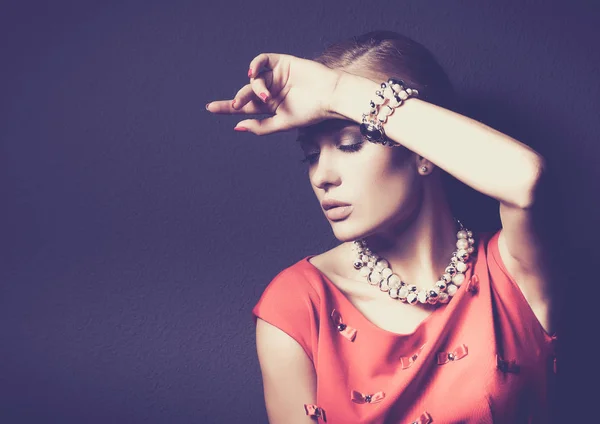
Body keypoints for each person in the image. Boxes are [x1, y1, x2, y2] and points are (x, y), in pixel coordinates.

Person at [206, 31, 558, 424]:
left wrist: (336, 92)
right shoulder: (300, 304)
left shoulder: (511, 274)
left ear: (422, 152)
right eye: (310, 154)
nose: (322, 176)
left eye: (350, 143)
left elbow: (525, 179)